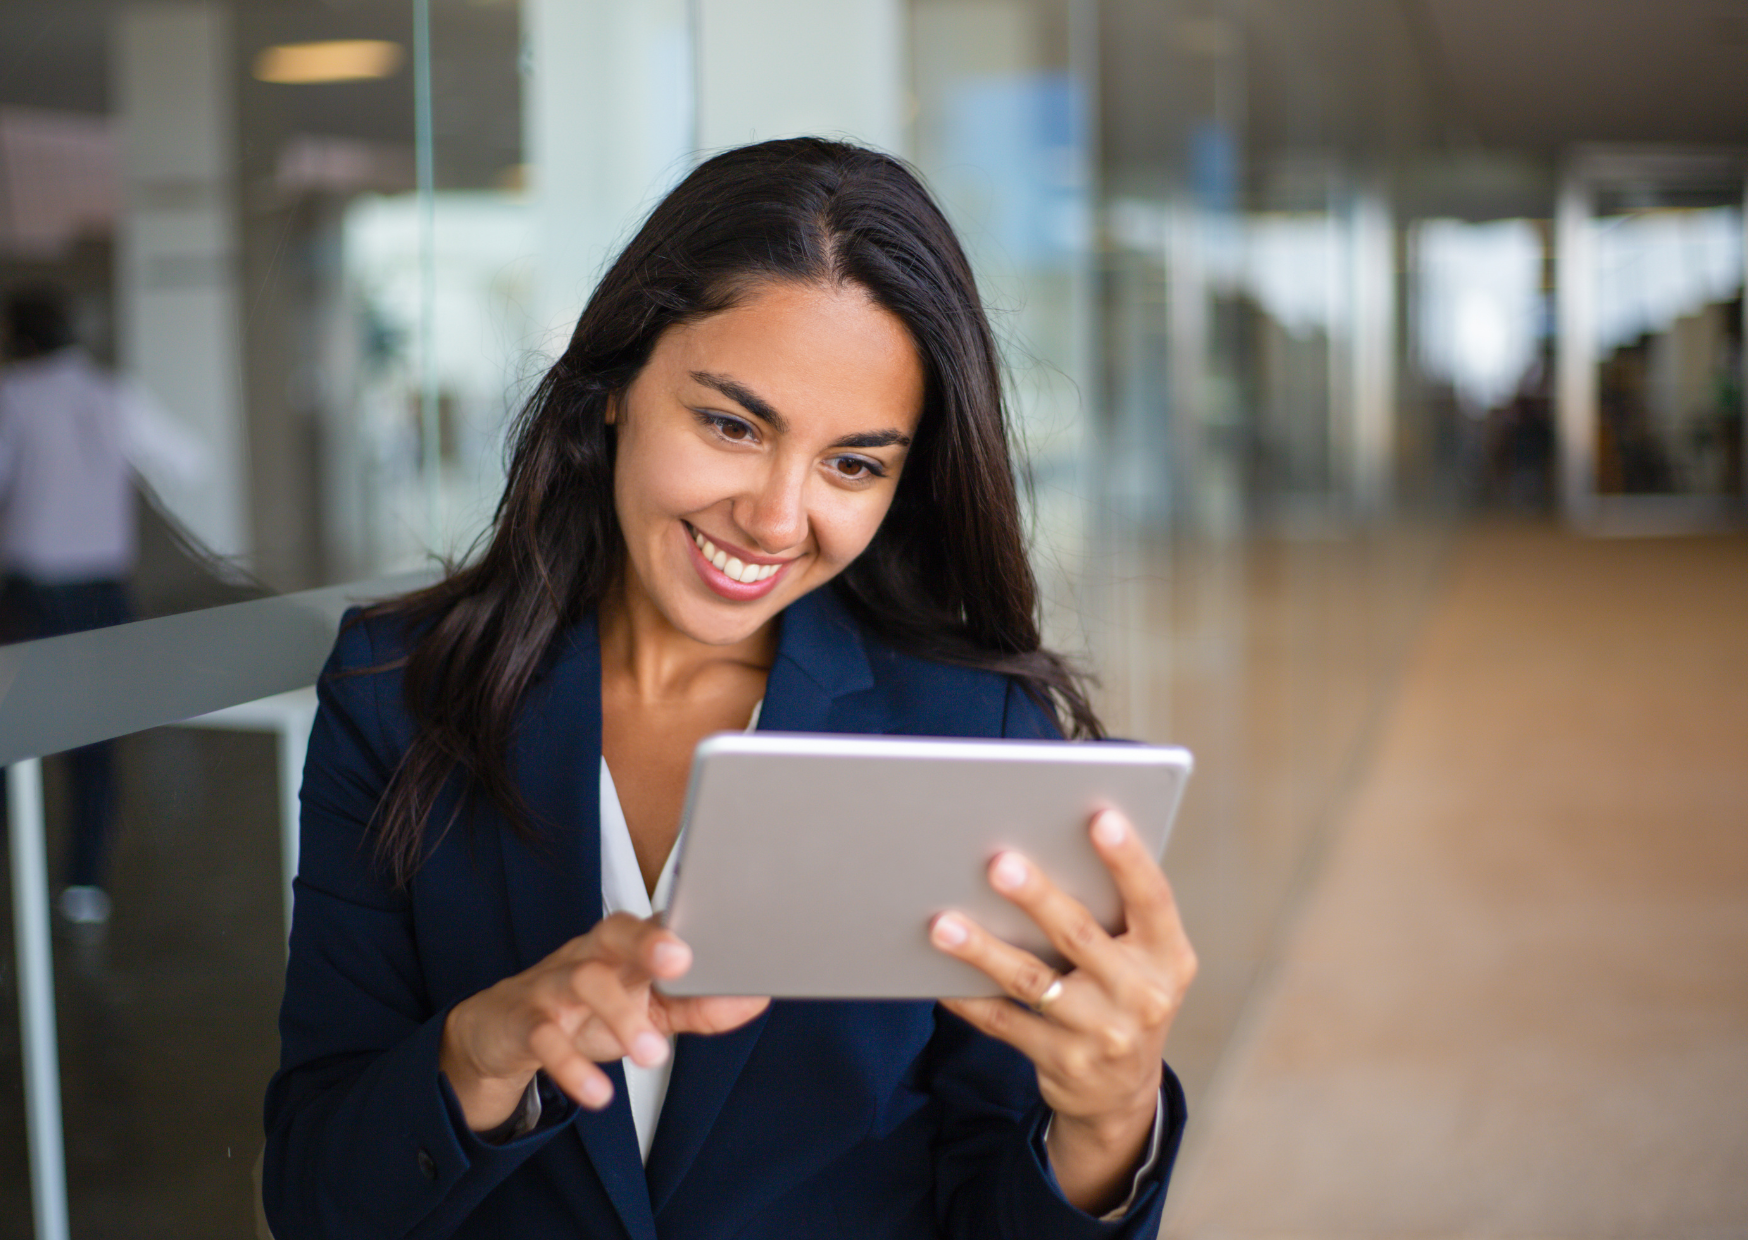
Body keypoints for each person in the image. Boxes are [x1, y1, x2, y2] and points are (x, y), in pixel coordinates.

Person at [264, 138, 1197, 1239]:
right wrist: (477, 1054)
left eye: (853, 463)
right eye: (731, 424)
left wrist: (1107, 1124)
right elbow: (314, 1199)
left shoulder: (966, 728)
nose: (774, 518)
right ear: (614, 387)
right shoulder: (398, 694)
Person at [0, 288, 203, 926]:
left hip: (32, 589)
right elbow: (191, 461)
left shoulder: (13, 394)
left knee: (10, 731)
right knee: (95, 736)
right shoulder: (112, 392)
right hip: (103, 587)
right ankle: (85, 883)